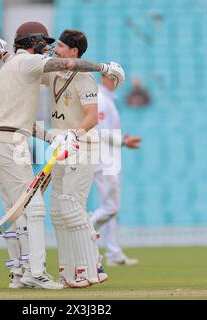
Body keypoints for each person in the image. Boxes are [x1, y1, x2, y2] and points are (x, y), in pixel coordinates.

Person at [0, 22, 124, 289]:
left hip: (35, 143)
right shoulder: (34, 65)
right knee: (39, 209)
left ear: (74, 50)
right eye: (45, 42)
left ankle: (42, 271)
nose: (52, 46)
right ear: (33, 42)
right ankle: (37, 272)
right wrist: (105, 68)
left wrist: (1, 49)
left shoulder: (17, 67)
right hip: (14, 141)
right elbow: (50, 65)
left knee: (41, 209)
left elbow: (24, 65)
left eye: (60, 45)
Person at [89, 74, 142, 267]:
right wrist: (123, 141)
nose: (118, 82)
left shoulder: (108, 99)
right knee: (111, 207)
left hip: (110, 158)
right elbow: (100, 132)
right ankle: (84, 232)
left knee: (111, 207)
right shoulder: (101, 100)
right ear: (106, 78)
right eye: (115, 78)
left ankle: (113, 252)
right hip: (104, 159)